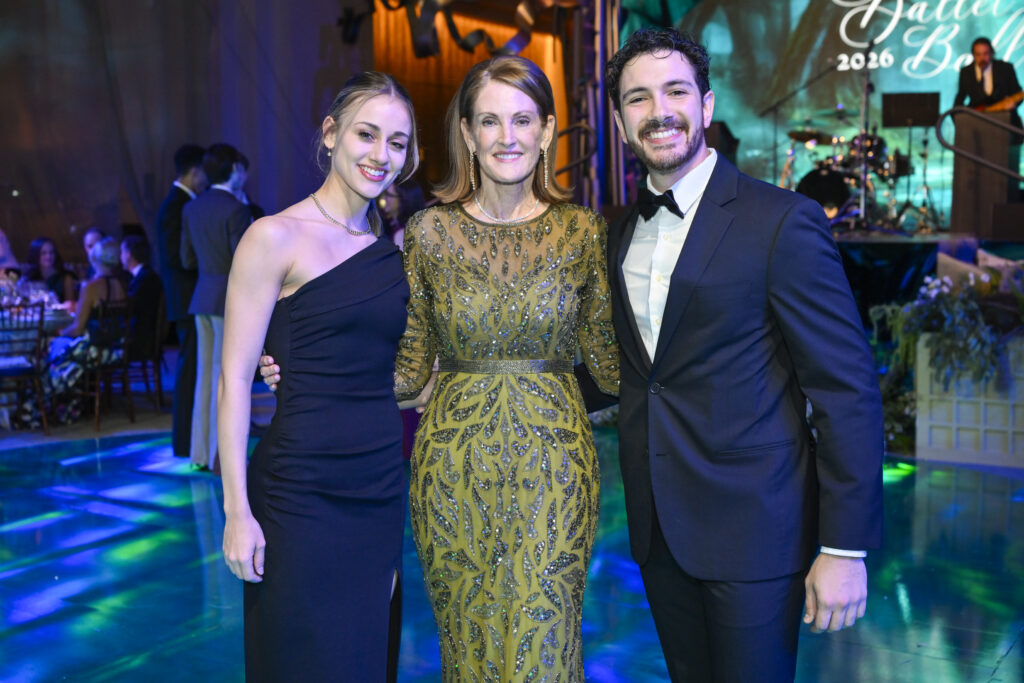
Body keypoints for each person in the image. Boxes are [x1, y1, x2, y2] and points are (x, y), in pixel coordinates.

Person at [260, 56, 619, 680]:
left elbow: (614, 365)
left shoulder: (581, 231)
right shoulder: (428, 232)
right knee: (468, 644)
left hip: (557, 471)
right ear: (467, 135)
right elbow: (405, 364)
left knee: (547, 643)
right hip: (451, 468)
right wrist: (312, 371)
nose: (507, 137)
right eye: (489, 121)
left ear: (547, 131)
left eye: (522, 120)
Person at [588, 29, 884, 681]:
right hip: (658, 531)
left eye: (675, 91)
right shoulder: (616, 232)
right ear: (618, 119)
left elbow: (845, 389)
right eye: (638, 98)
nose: (658, 110)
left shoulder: (781, 221)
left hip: (757, 532)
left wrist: (843, 545)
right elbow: (631, 372)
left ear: (708, 104)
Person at [219, 72, 421, 682]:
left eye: (397, 142)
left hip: (379, 487)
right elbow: (231, 382)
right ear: (330, 134)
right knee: (302, 658)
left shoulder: (389, 252)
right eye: (366, 134)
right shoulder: (272, 236)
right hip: (298, 491)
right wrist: (236, 510)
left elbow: (392, 366)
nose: (380, 155)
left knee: (362, 659)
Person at [181, 143, 252, 471]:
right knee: (226, 379)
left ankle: (200, 453)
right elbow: (244, 261)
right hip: (227, 300)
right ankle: (217, 457)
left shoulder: (193, 207)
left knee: (204, 377)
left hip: (202, 296)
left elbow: (186, 259)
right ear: (234, 169)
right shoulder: (235, 208)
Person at [155, 144, 206, 457]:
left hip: (187, 298)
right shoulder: (177, 205)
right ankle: (185, 440)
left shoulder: (179, 203)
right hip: (188, 298)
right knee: (189, 371)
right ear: (194, 171)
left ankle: (190, 439)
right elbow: (176, 257)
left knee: (192, 369)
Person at [120, 235, 164, 360]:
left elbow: (130, 309)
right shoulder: (146, 276)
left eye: (122, 252)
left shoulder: (144, 280)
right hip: (144, 336)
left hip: (141, 340)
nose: (120, 257)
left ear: (128, 254)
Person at [22, 237, 77, 304]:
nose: (48, 256)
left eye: (51, 252)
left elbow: (71, 305)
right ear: (36, 255)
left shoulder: (66, 278)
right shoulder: (29, 277)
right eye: (43, 253)